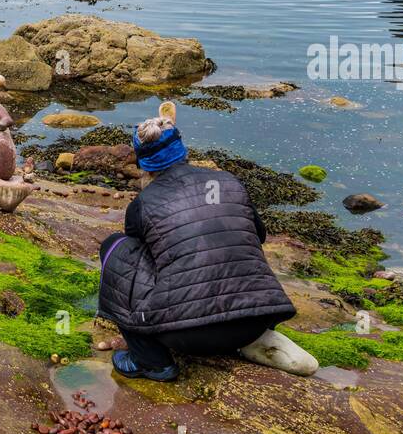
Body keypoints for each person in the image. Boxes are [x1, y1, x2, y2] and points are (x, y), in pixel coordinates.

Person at [98, 103, 296, 381]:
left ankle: (150, 361)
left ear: (143, 164)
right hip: (256, 321)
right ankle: (237, 324)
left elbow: (140, 253)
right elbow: (258, 236)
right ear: (183, 151)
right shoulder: (228, 181)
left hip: (187, 335)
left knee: (115, 247)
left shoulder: (144, 204)